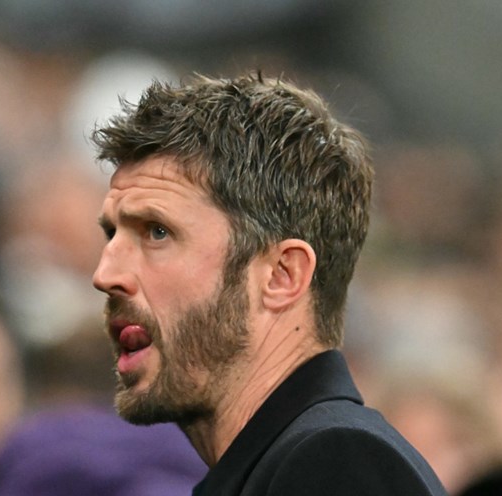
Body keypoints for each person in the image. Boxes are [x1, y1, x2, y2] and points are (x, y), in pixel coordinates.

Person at [90, 72, 447, 495]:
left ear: (282, 275)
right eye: (111, 234)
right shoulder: (283, 463)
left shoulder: (336, 466)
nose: (105, 275)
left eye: (157, 232)